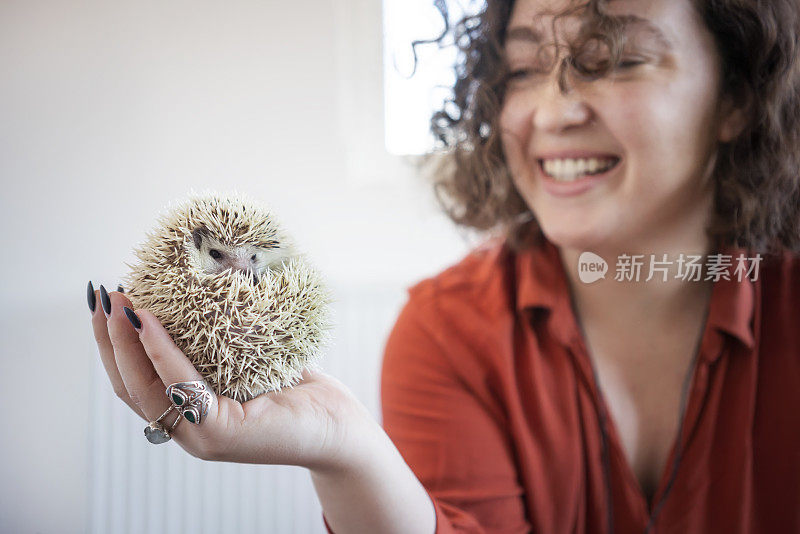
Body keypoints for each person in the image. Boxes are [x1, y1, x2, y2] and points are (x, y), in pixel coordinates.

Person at [89, 0, 800, 532]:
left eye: (615, 59)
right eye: (522, 69)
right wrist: (351, 456)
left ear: (737, 96)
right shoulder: (445, 331)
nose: (551, 110)